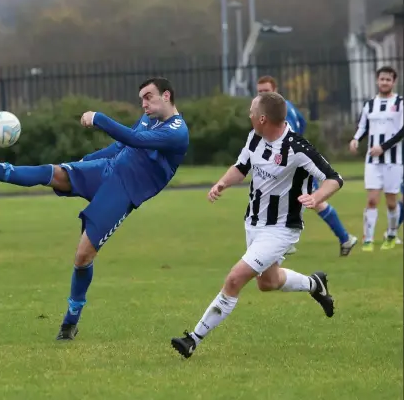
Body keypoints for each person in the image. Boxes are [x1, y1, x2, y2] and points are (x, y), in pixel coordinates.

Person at [0, 77, 190, 341]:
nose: (143, 103)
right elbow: (120, 146)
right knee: (53, 172)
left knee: (83, 256)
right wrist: (86, 161)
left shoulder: (176, 131)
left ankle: (70, 320)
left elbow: (135, 140)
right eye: (141, 98)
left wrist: (99, 118)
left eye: (148, 97)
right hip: (107, 170)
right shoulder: (150, 119)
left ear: (166, 96)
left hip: (123, 192)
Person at [171, 91, 343, 359]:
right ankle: (314, 285)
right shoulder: (255, 137)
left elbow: (334, 178)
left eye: (252, 110)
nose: (249, 114)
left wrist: (316, 196)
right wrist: (221, 183)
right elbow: (241, 167)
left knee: (234, 278)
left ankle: (193, 338)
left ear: (262, 118)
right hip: (253, 224)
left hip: (281, 230)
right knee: (268, 282)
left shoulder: (297, 148)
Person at [256, 76, 357, 256]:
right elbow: (302, 124)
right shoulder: (285, 107)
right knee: (310, 201)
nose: (263, 94)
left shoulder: (280, 112)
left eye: (266, 91)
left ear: (275, 90)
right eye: (260, 92)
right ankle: (345, 238)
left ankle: (285, 242)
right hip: (294, 161)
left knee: (283, 198)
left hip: (294, 163)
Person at [349, 66, 403, 251]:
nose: (385, 82)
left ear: (393, 82)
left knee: (391, 201)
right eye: (382, 79)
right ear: (377, 81)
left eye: (388, 79)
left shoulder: (400, 103)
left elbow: (402, 131)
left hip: (393, 160)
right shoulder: (369, 104)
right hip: (372, 161)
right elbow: (363, 127)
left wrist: (384, 147)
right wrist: (356, 140)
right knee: (372, 199)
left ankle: (391, 234)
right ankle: (368, 239)